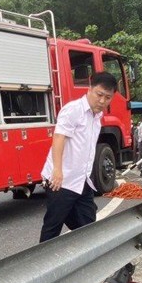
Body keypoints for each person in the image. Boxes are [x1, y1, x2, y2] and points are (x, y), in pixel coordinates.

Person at [38, 71, 117, 242]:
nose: (103, 101)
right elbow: (59, 138)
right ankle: (38, 266)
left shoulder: (98, 116)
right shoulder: (73, 110)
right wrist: (57, 171)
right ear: (89, 89)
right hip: (61, 181)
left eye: (108, 97)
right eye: (99, 94)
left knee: (88, 224)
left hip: (81, 181)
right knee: (52, 228)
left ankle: (96, 262)